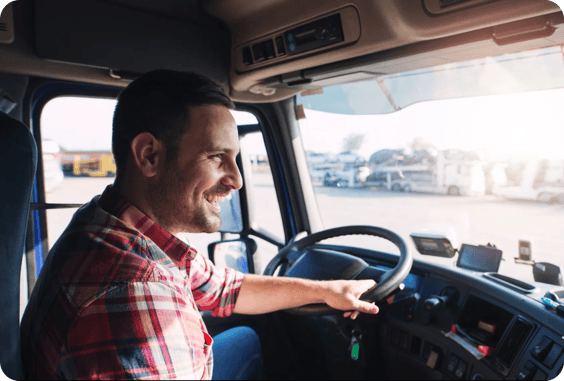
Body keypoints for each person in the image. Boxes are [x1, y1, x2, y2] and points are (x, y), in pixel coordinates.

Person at [20, 70, 379, 380]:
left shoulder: (111, 221)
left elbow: (222, 287)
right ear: (149, 155)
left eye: (235, 159)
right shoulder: (136, 297)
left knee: (247, 339)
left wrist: (327, 291)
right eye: (216, 157)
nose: (236, 180)